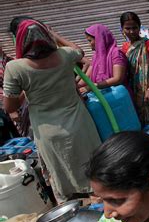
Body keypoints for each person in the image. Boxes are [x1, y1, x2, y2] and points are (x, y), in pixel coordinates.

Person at [3, 19, 101, 203]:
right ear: (46, 35)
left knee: (62, 180)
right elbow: (80, 52)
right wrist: (55, 35)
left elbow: (10, 107)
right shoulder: (65, 55)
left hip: (48, 131)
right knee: (94, 177)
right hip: (80, 125)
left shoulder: (15, 68)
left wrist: (27, 90)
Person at [79, 24, 128, 94]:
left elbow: (118, 78)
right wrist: (77, 86)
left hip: (118, 97)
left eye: (90, 41)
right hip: (103, 96)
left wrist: (92, 86)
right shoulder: (96, 56)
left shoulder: (116, 53)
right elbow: (86, 77)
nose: (89, 44)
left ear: (99, 39)